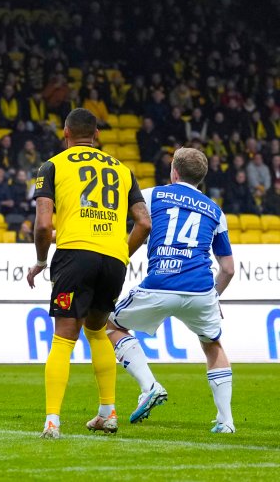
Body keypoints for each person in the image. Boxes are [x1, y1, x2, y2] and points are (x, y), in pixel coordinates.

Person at [26, 108, 152, 439]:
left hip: (75, 255)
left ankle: (52, 420)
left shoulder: (52, 166)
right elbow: (144, 222)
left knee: (63, 337)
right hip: (113, 260)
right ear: (96, 135)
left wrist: (40, 261)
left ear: (65, 134)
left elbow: (42, 223)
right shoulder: (123, 170)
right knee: (97, 331)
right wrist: (121, 253)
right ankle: (107, 412)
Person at [107, 148, 236, 433]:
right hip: (201, 290)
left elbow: (132, 222)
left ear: (174, 171)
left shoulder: (152, 196)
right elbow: (227, 269)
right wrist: (214, 296)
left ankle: (149, 386)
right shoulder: (216, 211)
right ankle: (226, 421)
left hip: (160, 283)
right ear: (200, 179)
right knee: (212, 344)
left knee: (111, 324)